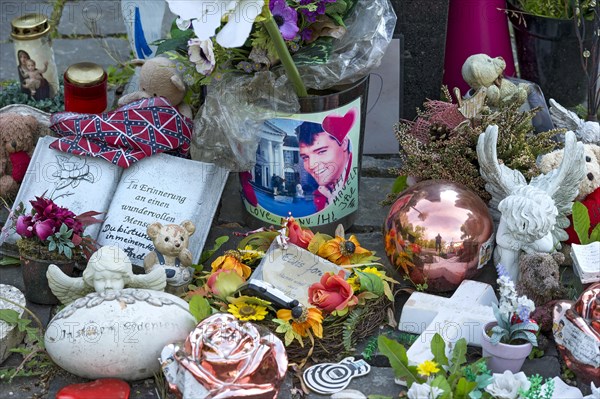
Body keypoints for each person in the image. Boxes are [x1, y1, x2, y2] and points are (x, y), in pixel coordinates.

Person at [297, 121, 352, 212]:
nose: (311, 165)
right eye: (305, 157)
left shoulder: (351, 177)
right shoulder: (321, 192)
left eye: (321, 151)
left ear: (343, 143)